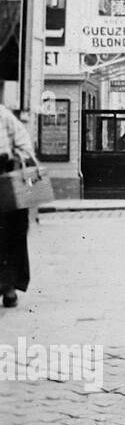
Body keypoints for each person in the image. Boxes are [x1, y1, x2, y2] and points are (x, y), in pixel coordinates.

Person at [0, 104, 38, 308]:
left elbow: (25, 148)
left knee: (10, 237)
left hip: (6, 182)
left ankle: (9, 287)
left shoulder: (4, 116)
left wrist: (13, 158)